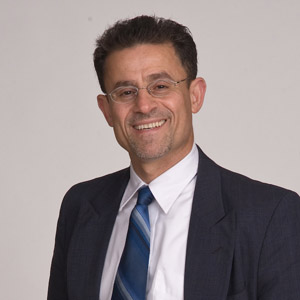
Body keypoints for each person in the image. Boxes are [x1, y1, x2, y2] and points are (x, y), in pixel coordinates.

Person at [48, 15, 300, 300]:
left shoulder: (270, 215)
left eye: (161, 86)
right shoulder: (80, 207)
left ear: (195, 95)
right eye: (126, 91)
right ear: (106, 110)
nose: (144, 106)